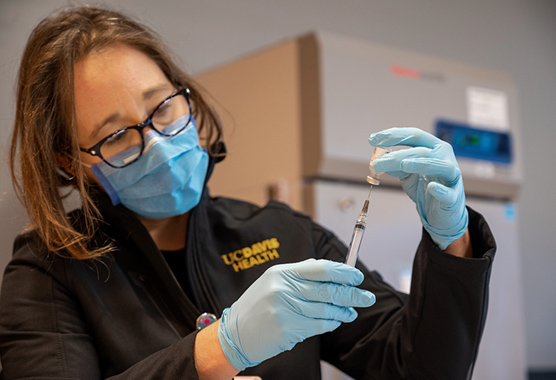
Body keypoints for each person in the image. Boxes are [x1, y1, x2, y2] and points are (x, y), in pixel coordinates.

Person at [0, 5, 495, 380]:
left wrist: (452, 242)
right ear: (71, 160)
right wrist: (216, 350)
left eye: (163, 107)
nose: (156, 143)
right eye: (115, 135)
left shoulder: (285, 234)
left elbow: (421, 368)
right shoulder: (48, 273)